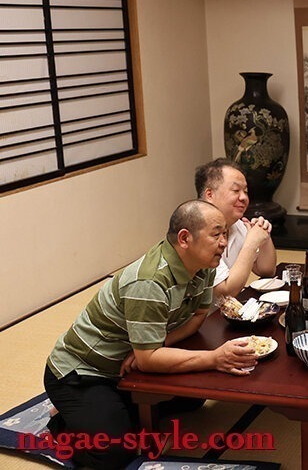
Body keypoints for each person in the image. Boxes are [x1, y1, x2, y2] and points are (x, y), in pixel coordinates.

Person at [44, 200, 260, 469]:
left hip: (126, 366)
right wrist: (214, 358)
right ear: (185, 238)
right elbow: (148, 361)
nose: (224, 243)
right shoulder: (149, 282)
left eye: (225, 234)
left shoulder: (204, 266)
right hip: (83, 372)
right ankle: (63, 425)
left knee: (193, 398)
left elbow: (196, 318)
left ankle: (101, 413)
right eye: (216, 234)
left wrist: (154, 347)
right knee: (115, 453)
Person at [195, 158, 277, 298]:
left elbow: (267, 270)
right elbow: (225, 293)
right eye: (236, 190)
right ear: (210, 195)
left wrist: (263, 234)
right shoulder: (197, 232)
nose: (244, 197)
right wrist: (251, 243)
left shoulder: (237, 224)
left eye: (245, 191)